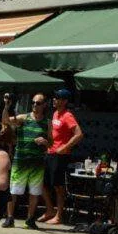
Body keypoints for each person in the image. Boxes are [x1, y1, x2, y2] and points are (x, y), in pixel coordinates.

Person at [2, 92, 50, 229]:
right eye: (33, 102)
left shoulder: (47, 123)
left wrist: (45, 142)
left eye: (38, 103)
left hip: (37, 163)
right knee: (14, 190)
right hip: (20, 160)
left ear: (44, 105)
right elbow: (5, 121)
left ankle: (30, 219)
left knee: (34, 192)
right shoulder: (24, 117)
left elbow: (52, 143)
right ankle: (10, 217)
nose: (35, 105)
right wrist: (6, 106)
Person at [40, 88, 83, 225]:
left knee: (58, 186)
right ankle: (49, 210)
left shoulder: (67, 115)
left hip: (59, 155)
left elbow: (79, 134)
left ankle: (58, 216)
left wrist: (65, 147)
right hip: (49, 152)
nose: (54, 100)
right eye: (54, 97)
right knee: (42, 183)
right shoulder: (54, 114)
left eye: (57, 98)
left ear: (64, 101)